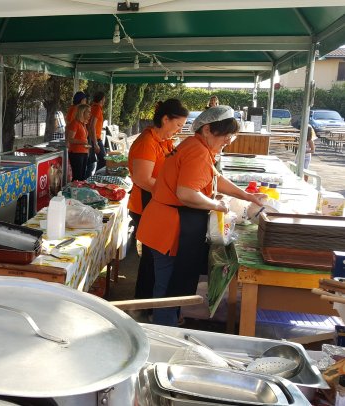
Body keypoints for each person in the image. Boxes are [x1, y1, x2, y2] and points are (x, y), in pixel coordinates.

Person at [136, 106, 264, 326]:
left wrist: (246, 195)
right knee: (168, 289)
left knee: (169, 285)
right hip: (169, 229)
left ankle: (166, 323)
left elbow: (215, 178)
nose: (228, 140)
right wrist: (217, 205)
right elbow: (186, 194)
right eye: (225, 135)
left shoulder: (196, 146)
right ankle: (164, 331)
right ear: (207, 130)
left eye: (231, 135)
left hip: (163, 223)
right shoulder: (198, 151)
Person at [128, 99, 188, 301]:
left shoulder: (163, 141)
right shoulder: (147, 142)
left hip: (157, 203)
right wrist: (172, 194)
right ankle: (143, 303)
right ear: (165, 119)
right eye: (178, 125)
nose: (179, 130)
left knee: (153, 257)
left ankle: (147, 301)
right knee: (151, 258)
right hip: (144, 204)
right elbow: (142, 179)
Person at [65, 104, 92, 181]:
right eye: (88, 112)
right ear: (82, 112)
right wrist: (83, 142)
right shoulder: (75, 123)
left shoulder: (83, 124)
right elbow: (70, 139)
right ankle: (74, 188)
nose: (90, 114)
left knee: (82, 177)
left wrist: (86, 146)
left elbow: (83, 139)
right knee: (77, 177)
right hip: (76, 153)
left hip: (83, 152)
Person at [88, 91, 107, 171]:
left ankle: (95, 175)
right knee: (103, 160)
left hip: (91, 137)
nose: (105, 101)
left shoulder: (92, 107)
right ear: (101, 99)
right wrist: (95, 143)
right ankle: (96, 176)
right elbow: (92, 125)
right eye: (104, 99)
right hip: (94, 138)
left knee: (91, 162)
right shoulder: (97, 109)